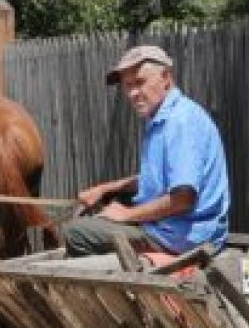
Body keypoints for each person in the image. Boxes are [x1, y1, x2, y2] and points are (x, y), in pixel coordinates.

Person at [64, 45, 231, 258]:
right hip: (177, 229)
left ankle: (124, 287)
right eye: (127, 85)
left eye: (140, 83)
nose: (133, 93)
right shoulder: (165, 118)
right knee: (106, 210)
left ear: (166, 78)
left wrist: (127, 214)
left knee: (76, 233)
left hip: (181, 237)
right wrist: (104, 189)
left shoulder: (180, 122)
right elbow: (159, 179)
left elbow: (183, 198)